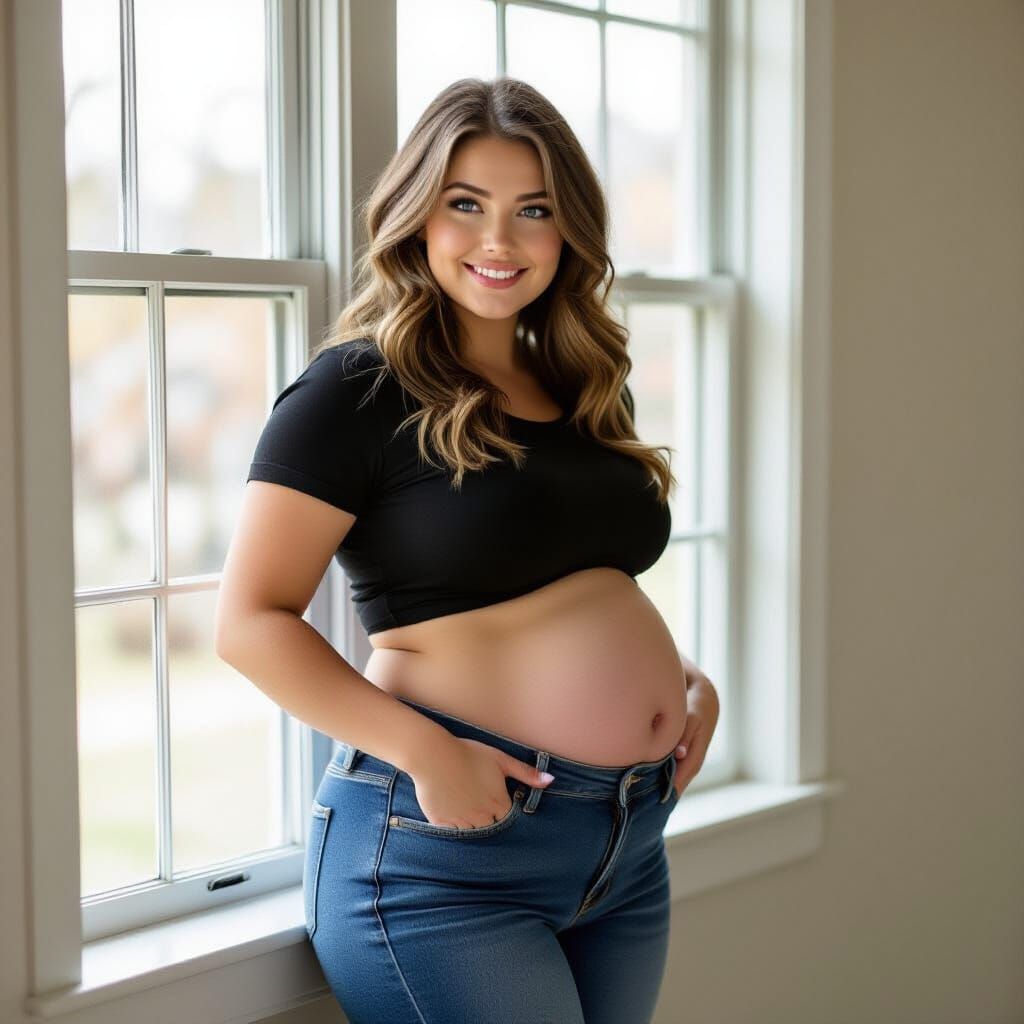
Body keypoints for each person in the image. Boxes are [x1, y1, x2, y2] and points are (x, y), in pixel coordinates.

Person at [215, 76, 720, 1024]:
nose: (500, 241)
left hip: (625, 843)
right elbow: (248, 623)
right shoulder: (353, 390)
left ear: (569, 229)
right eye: (466, 205)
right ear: (417, 218)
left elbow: (573, 582)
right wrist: (425, 752)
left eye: (533, 210)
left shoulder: (577, 381)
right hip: (448, 855)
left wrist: (683, 683)